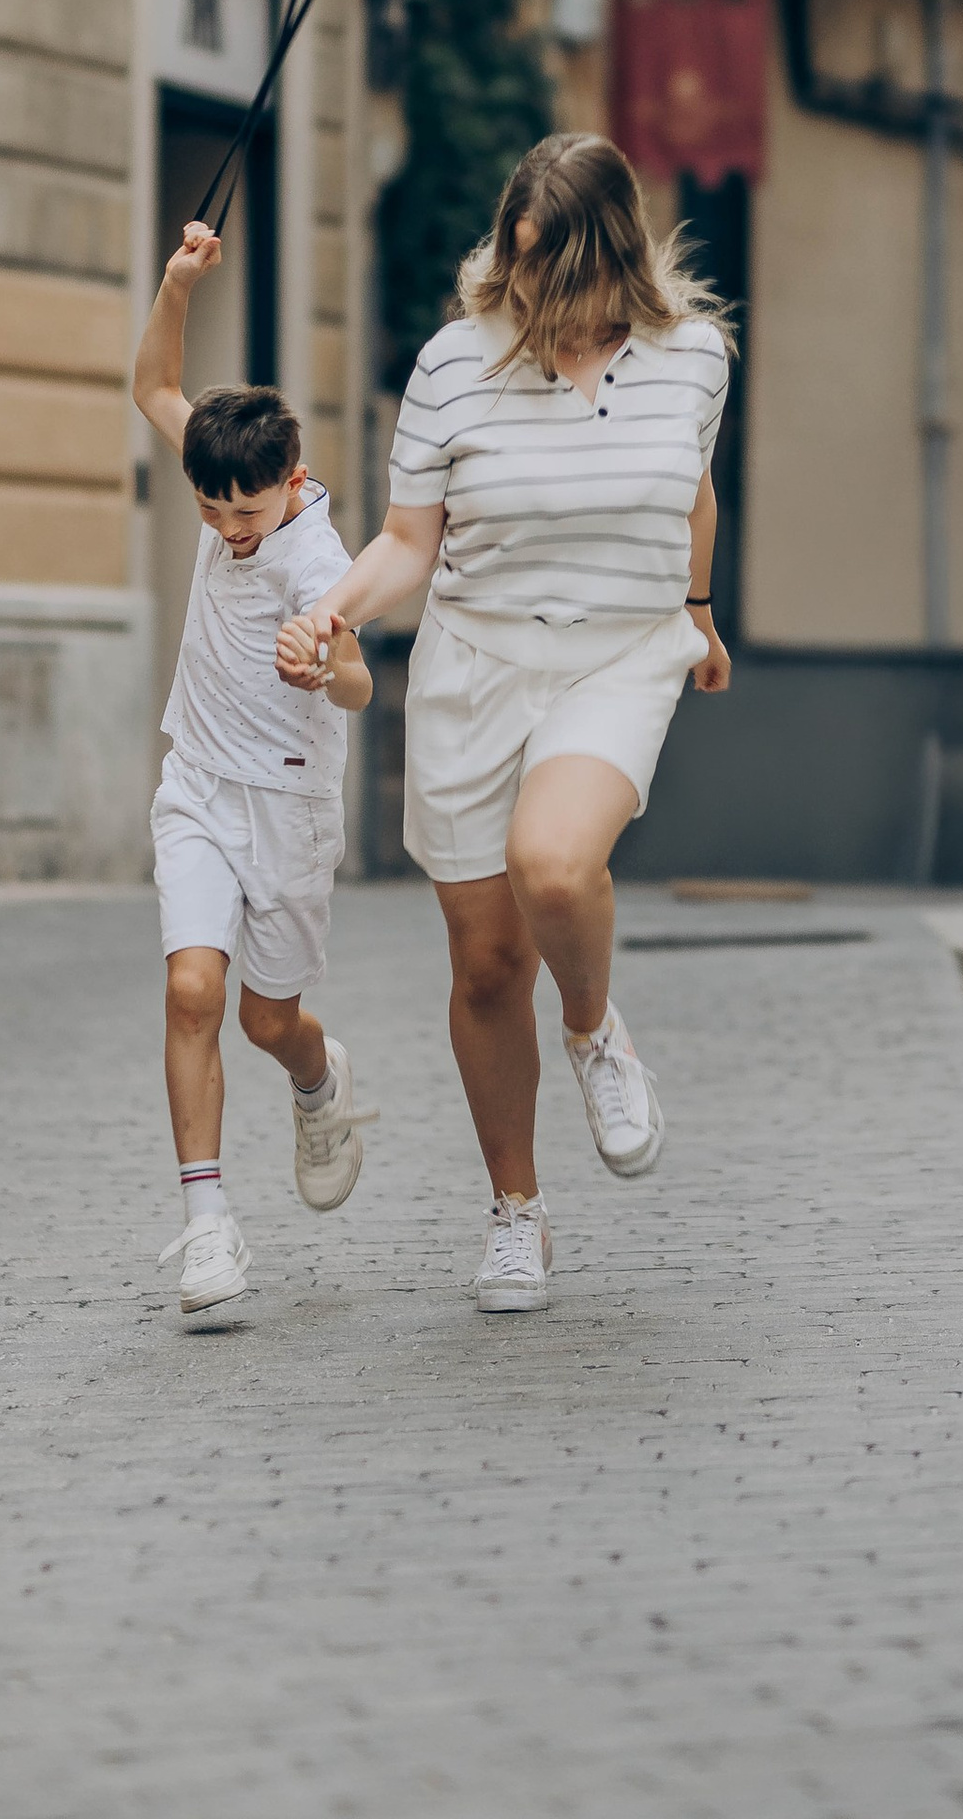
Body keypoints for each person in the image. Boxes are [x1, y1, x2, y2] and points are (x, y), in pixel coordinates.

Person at [279, 134, 731, 1313]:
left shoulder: (695, 359)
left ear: (608, 257)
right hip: (477, 662)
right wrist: (330, 609)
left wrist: (698, 610)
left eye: (550, 268)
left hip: (620, 655)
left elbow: (693, 489)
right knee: (485, 964)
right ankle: (516, 1213)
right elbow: (408, 542)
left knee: (555, 863)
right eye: (515, 262)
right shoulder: (450, 365)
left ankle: (592, 1031)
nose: (526, 289)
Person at [133, 221, 378, 1325]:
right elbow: (154, 381)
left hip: (286, 808)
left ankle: (319, 1085)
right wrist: (177, 282)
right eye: (211, 507)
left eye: (249, 507)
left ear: (294, 481)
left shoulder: (317, 559)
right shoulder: (221, 473)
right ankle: (206, 1229)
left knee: (266, 1020)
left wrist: (324, 658)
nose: (231, 527)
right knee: (193, 989)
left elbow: (365, 691)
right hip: (197, 788)